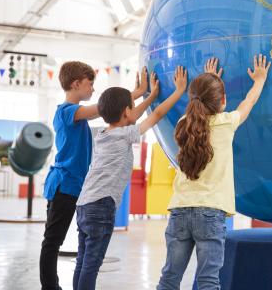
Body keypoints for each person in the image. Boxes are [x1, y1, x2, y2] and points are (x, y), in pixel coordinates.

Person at [157, 55, 271, 290]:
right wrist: (259, 80)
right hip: (210, 213)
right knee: (209, 280)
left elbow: (203, 111)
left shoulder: (182, 124)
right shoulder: (226, 123)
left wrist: (212, 80)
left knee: (169, 277)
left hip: (180, 209)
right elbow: (248, 103)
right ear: (222, 101)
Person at [72, 66, 187, 290]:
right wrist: (178, 91)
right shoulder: (125, 135)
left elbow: (132, 116)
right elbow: (156, 114)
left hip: (84, 204)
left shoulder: (104, 134)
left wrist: (151, 95)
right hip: (101, 205)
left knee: (83, 260)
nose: (135, 111)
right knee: (92, 264)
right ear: (127, 112)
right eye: (132, 108)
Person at [40, 62, 149, 290]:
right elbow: (105, 108)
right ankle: (50, 286)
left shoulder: (77, 114)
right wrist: (137, 93)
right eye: (90, 84)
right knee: (53, 241)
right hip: (63, 185)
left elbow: (111, 110)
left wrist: (137, 96)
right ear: (75, 84)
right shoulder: (67, 111)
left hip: (76, 186)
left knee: (70, 248)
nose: (92, 89)